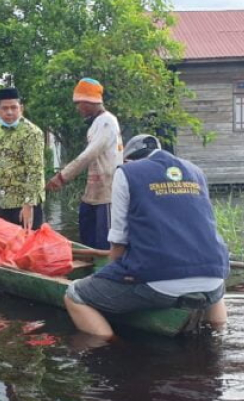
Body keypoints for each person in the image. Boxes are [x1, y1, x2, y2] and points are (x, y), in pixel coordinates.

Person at [64, 134, 230, 338]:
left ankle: (109, 347)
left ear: (128, 159)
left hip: (159, 282)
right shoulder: (195, 171)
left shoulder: (127, 172)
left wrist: (111, 274)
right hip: (214, 277)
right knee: (213, 283)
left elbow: (118, 242)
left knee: (75, 295)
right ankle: (219, 331)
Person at [46, 78, 123, 249]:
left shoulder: (107, 122)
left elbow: (88, 155)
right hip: (92, 193)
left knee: (105, 244)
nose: (78, 108)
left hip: (106, 193)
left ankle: (105, 272)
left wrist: (61, 177)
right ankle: (92, 272)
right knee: (88, 239)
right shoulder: (96, 124)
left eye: (79, 103)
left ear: (90, 101)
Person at [0, 87, 45, 230]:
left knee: (28, 246)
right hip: (3, 201)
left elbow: (35, 171)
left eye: (13, 107)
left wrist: (28, 204)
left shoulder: (32, 132)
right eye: (5, 108)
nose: (9, 112)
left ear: (20, 108)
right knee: (5, 245)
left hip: (25, 203)